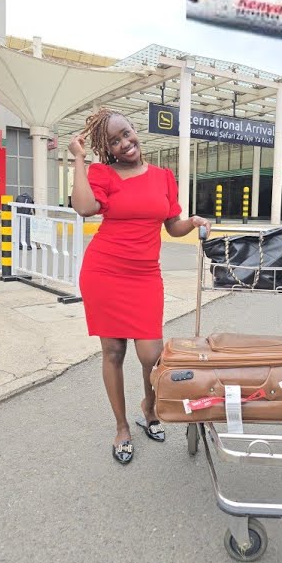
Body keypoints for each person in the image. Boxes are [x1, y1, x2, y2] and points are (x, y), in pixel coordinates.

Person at [69, 109, 208, 465]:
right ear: (108, 149)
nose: (125, 143)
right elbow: (85, 208)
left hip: (145, 275)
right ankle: (121, 427)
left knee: (151, 355)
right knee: (113, 353)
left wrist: (191, 222)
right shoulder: (101, 173)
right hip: (105, 271)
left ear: (135, 131)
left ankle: (149, 406)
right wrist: (80, 160)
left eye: (126, 133)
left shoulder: (163, 176)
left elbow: (172, 225)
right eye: (114, 141)